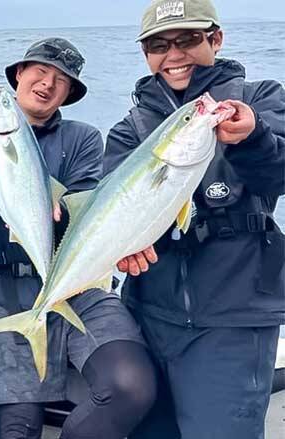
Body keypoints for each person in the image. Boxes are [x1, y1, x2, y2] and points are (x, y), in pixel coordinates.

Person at [104, 1, 285, 438]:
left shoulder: (259, 99)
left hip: (232, 318)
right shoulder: (130, 128)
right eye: (158, 45)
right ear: (145, 53)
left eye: (187, 39)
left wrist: (254, 137)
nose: (174, 55)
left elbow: (277, 175)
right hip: (148, 315)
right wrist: (123, 249)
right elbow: (114, 212)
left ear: (215, 39)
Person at [0, 37, 157, 439]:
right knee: (18, 427)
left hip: (81, 281)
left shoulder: (83, 138)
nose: (48, 84)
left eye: (61, 80)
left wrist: (52, 199)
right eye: (40, 71)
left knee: (130, 387)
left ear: (69, 93)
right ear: (20, 74)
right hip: (5, 291)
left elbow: (83, 208)